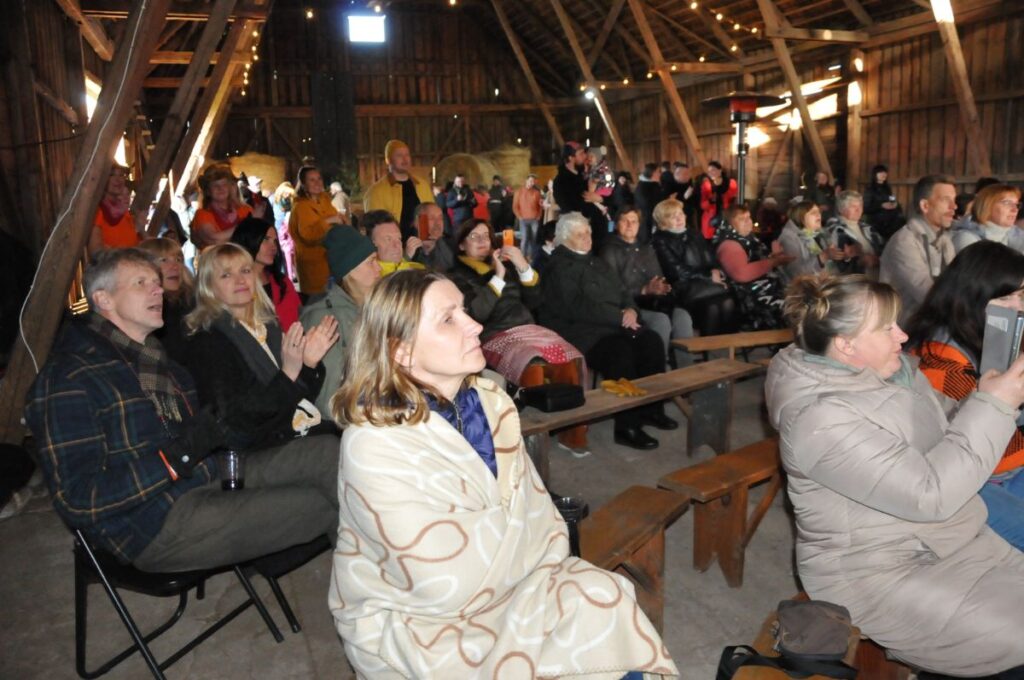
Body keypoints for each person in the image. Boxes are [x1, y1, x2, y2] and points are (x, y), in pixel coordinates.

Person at [327, 269, 679, 679]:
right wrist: (521, 537)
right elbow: (444, 583)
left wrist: (516, 539)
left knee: (608, 595)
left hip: (520, 584)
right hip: (424, 625)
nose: (475, 325)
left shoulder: (490, 401)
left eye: (464, 310)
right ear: (401, 351)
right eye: (449, 319)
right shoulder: (374, 443)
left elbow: (545, 522)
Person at [766, 273, 1024, 677]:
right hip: (880, 571)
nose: (903, 336)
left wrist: (999, 354)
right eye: (887, 328)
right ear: (846, 345)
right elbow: (930, 495)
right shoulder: (819, 420)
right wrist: (996, 405)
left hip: (950, 540)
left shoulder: (896, 373)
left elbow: (954, 425)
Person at [25, 248, 340, 572]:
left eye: (156, 282)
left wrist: (297, 378)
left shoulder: (164, 366)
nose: (158, 290)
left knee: (328, 453)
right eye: (141, 283)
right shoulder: (69, 378)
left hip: (206, 474)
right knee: (333, 502)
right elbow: (78, 499)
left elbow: (223, 434)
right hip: (152, 522)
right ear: (104, 299)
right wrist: (179, 456)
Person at [906, 241, 1024, 550]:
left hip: (998, 467)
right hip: (974, 483)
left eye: (1021, 296)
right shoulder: (941, 363)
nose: (1018, 307)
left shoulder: (986, 335)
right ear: (972, 297)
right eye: (1006, 297)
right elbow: (978, 450)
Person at [538, 212, 676, 450]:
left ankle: (652, 409)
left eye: (588, 233)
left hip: (614, 325)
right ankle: (627, 426)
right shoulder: (558, 267)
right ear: (565, 238)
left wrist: (631, 310)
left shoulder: (597, 262)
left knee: (651, 341)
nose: (587, 238)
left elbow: (623, 292)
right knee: (621, 353)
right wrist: (619, 317)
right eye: (579, 234)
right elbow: (577, 307)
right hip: (582, 333)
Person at [300, 226, 380, 416]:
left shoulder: (373, 306)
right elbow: (330, 397)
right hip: (352, 420)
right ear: (349, 270)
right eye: (371, 262)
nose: (379, 268)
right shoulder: (324, 319)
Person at [600, 205, 694, 365]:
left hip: (652, 302)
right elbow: (613, 289)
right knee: (661, 320)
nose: (629, 225)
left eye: (634, 221)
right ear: (616, 224)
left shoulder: (646, 249)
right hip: (628, 306)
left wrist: (660, 286)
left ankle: (686, 369)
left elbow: (658, 277)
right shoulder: (609, 250)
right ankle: (659, 368)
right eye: (625, 221)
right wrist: (643, 290)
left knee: (682, 316)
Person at [649, 199, 738, 337]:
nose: (679, 218)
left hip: (705, 282)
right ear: (663, 221)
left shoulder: (694, 234)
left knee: (727, 302)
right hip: (681, 286)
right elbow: (677, 271)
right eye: (672, 216)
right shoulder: (660, 239)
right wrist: (709, 275)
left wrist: (717, 271)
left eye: (680, 214)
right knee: (715, 303)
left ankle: (728, 345)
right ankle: (711, 346)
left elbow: (711, 258)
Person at [879, 174, 957, 325]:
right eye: (945, 200)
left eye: (954, 200)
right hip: (904, 329)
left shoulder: (945, 240)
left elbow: (955, 283)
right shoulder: (904, 241)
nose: (954, 206)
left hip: (932, 324)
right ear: (925, 206)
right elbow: (928, 295)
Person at [713, 204, 794, 330]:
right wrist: (772, 262)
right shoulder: (729, 245)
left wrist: (774, 256)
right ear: (729, 224)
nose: (748, 221)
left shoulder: (749, 239)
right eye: (741, 219)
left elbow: (757, 260)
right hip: (750, 297)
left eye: (749, 217)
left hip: (766, 289)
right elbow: (741, 274)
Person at [231, 216, 302, 331]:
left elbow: (300, 316)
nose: (273, 247)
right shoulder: (237, 286)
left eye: (274, 241)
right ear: (249, 240)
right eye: (266, 239)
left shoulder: (282, 282)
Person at [362, 138, 433, 238]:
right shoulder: (376, 192)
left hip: (423, 243)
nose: (405, 159)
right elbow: (375, 227)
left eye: (407, 155)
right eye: (399, 155)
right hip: (395, 244)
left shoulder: (422, 186)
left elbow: (432, 214)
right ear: (388, 160)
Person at [289, 164, 342, 295]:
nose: (317, 183)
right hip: (313, 266)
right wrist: (328, 221)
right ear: (303, 184)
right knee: (317, 301)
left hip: (331, 262)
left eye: (319, 178)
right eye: (312, 180)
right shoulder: (300, 207)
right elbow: (308, 235)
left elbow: (337, 219)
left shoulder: (324, 200)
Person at [137, 237, 194, 356]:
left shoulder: (194, 302)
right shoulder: (142, 310)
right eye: (164, 260)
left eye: (178, 259)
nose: (175, 266)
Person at [552, 141, 608, 248]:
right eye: (581, 153)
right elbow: (569, 210)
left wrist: (600, 199)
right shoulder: (560, 182)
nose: (585, 156)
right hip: (579, 235)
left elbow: (602, 196)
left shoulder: (584, 176)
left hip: (597, 233)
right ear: (571, 158)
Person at [190, 163, 253, 249]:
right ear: (208, 191)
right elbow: (214, 240)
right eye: (215, 185)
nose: (220, 188)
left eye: (224, 184)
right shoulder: (202, 214)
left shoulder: (246, 210)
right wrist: (247, 224)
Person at [778, 200, 844, 281]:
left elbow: (826, 266)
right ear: (801, 217)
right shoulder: (788, 239)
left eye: (819, 212)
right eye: (813, 213)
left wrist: (843, 255)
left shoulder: (813, 234)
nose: (818, 214)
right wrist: (824, 256)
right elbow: (797, 274)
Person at [823, 190, 884, 277]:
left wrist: (878, 260)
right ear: (841, 209)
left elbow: (883, 249)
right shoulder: (835, 231)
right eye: (853, 206)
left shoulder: (868, 228)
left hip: (877, 277)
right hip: (855, 281)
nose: (858, 210)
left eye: (860, 206)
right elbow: (836, 266)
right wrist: (859, 261)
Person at [951, 183, 1024, 253]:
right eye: (1007, 203)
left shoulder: (1018, 237)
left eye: (1017, 205)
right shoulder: (967, 239)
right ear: (987, 206)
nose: (1014, 209)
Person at [89, 164, 140, 254]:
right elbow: (96, 250)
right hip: (114, 261)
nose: (118, 179)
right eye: (112, 175)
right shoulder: (98, 211)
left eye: (121, 175)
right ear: (103, 179)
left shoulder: (123, 210)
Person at [364, 209, 425, 276]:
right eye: (388, 239)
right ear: (371, 243)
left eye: (399, 238)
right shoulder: (368, 277)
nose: (397, 245)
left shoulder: (419, 269)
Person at [862, 164, 904, 242]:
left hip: (889, 217)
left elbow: (891, 199)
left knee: (901, 219)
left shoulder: (887, 188)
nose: (883, 174)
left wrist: (895, 204)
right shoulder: (870, 189)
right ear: (875, 174)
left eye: (885, 172)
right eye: (880, 172)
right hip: (876, 219)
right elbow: (865, 208)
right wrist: (881, 205)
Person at [699, 161, 737, 240]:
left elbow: (733, 199)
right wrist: (710, 201)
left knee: (726, 240)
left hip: (727, 217)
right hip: (711, 220)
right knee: (711, 242)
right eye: (709, 171)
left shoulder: (731, 183)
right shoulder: (706, 185)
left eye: (713, 170)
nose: (710, 173)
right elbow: (702, 205)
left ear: (720, 170)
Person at [411, 202, 454, 271]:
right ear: (417, 222)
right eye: (431, 218)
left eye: (440, 218)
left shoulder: (452, 244)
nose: (438, 223)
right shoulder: (410, 249)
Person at [512, 173, 543, 259]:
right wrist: (519, 217)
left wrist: (539, 216)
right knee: (524, 238)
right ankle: (522, 257)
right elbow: (515, 207)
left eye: (533, 182)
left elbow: (540, 206)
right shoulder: (518, 192)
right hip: (523, 220)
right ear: (526, 180)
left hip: (534, 220)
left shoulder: (536, 193)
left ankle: (531, 257)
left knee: (533, 239)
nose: (531, 183)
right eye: (530, 181)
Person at [271, 181, 298, 282]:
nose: (288, 195)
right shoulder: (276, 201)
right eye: (286, 193)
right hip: (281, 229)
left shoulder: (285, 200)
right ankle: (287, 276)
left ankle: (292, 274)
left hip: (286, 229)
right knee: (284, 255)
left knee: (290, 254)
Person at [633, 163, 664, 242]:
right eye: (658, 171)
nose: (660, 174)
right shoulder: (643, 186)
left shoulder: (653, 184)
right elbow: (647, 204)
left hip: (652, 218)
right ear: (652, 173)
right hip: (647, 220)